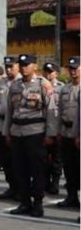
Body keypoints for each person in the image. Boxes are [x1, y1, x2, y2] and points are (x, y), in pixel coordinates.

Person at [4, 54, 57, 217]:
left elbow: (51, 110)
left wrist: (50, 134)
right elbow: (9, 111)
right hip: (17, 132)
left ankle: (38, 203)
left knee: (37, 170)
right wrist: (7, 132)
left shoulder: (43, 84)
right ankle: (25, 202)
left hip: (35, 132)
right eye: (21, 64)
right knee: (20, 170)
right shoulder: (15, 86)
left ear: (35, 66)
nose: (23, 67)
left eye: (27, 64)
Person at [0, 57, 21, 200]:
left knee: (17, 160)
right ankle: (11, 187)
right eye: (7, 66)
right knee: (5, 160)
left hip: (16, 125)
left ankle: (20, 189)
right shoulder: (2, 83)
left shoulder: (20, 82)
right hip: (2, 124)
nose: (8, 69)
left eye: (11, 66)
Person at [56, 56, 80, 208]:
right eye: (70, 68)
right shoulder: (65, 88)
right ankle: (71, 196)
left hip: (79, 133)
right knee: (69, 167)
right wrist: (58, 131)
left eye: (76, 68)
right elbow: (59, 111)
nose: (73, 71)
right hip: (66, 131)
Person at [43, 61, 64, 195]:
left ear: (56, 73)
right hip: (42, 125)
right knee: (43, 157)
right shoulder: (41, 86)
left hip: (56, 126)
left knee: (56, 158)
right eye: (46, 71)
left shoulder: (61, 88)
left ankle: (55, 183)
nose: (48, 74)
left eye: (50, 72)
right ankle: (45, 182)